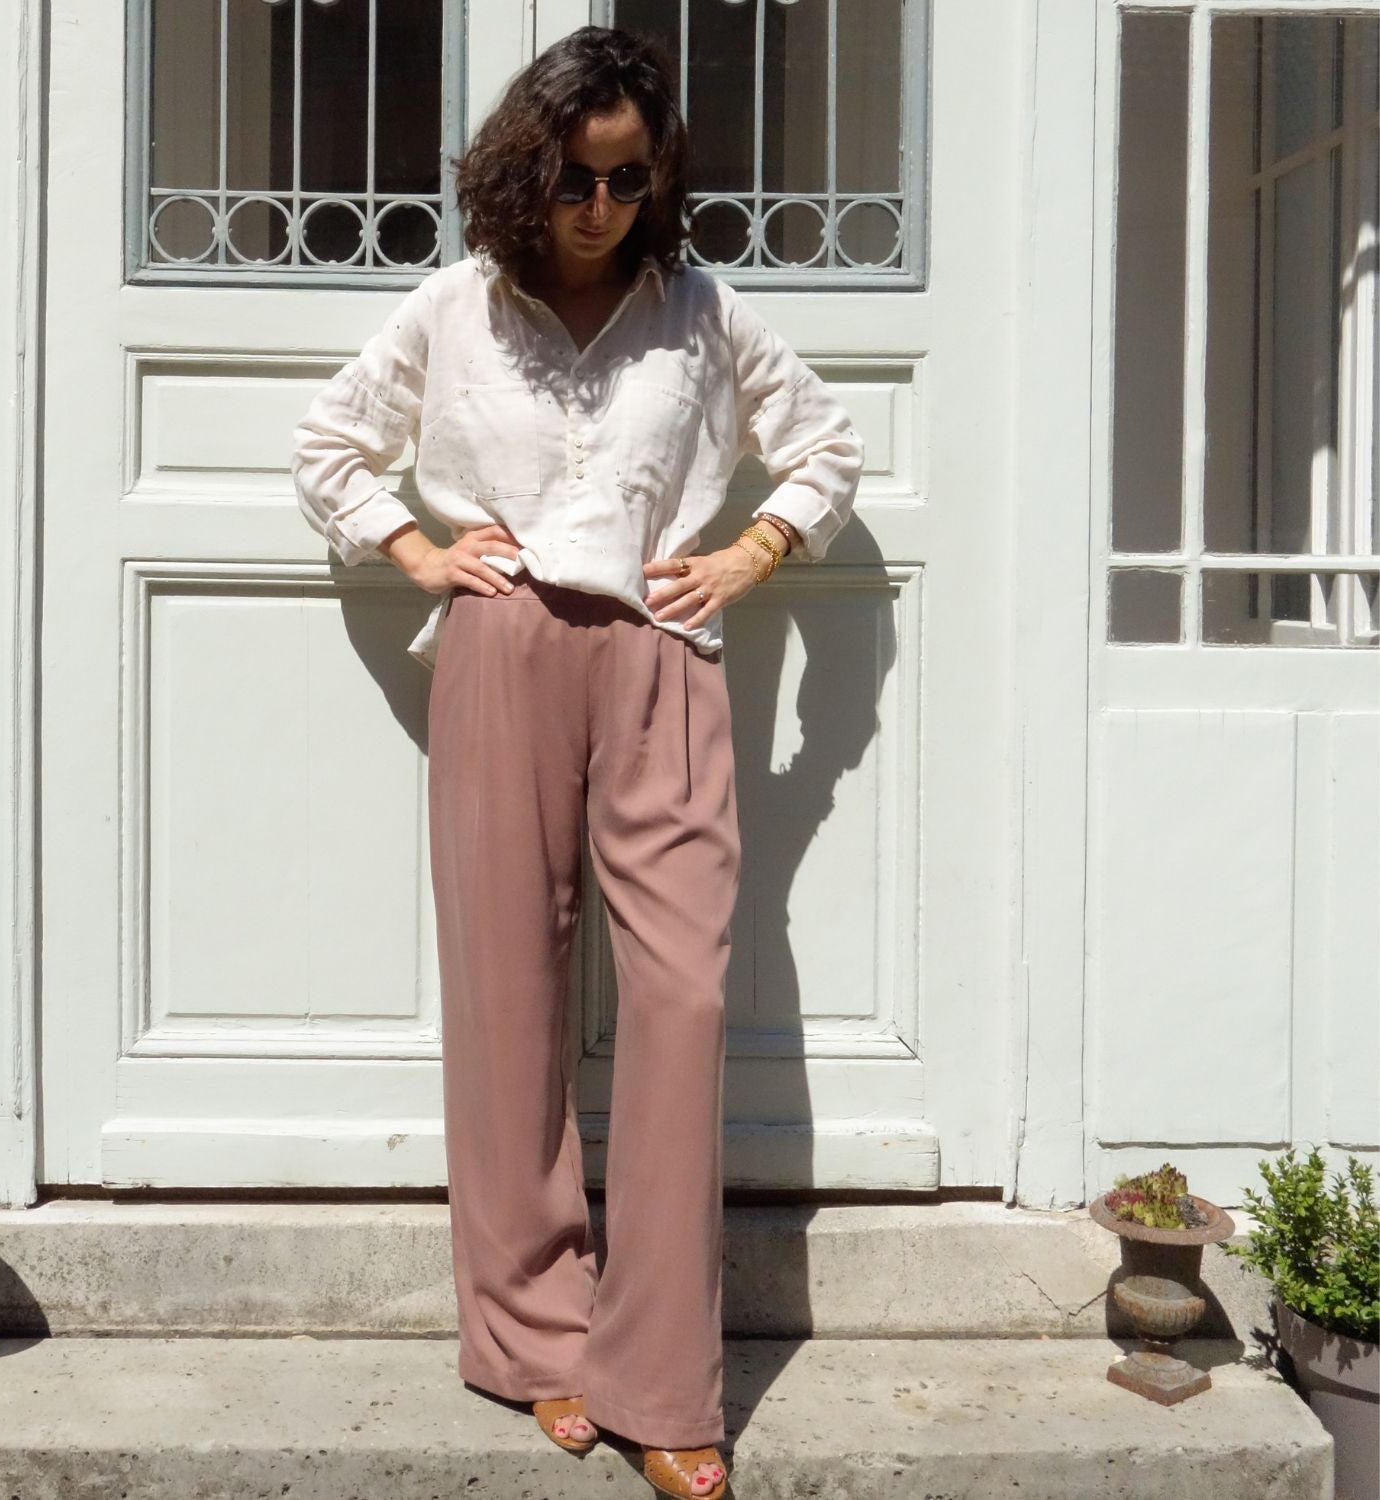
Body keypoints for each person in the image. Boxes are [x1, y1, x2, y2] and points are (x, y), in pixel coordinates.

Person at [291, 25, 863, 1500]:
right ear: (523, 171)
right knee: (508, 993)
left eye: (627, 180)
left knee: (680, 997)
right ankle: (535, 1335)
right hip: (505, 649)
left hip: (662, 652)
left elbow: (826, 448)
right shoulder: (454, 310)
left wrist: (749, 552)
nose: (602, 208)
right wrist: (417, 549)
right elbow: (329, 446)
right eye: (575, 178)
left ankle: (662, 1379)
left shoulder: (704, 313)